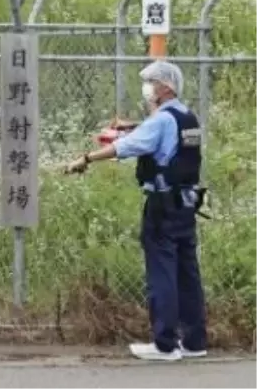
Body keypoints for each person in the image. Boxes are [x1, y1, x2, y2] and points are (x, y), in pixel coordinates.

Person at [64, 61, 207, 361]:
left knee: (162, 272)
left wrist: (86, 158)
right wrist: (131, 127)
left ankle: (165, 345)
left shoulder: (162, 120)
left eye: (152, 82)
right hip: (186, 203)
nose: (148, 88)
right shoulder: (187, 117)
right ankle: (194, 341)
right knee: (186, 273)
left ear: (166, 87)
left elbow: (126, 147)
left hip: (162, 206)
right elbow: (159, 140)